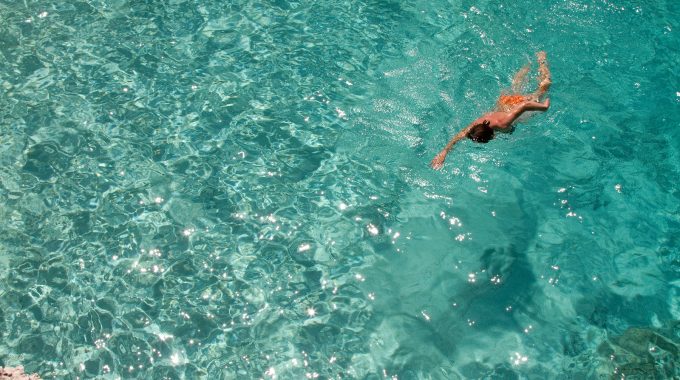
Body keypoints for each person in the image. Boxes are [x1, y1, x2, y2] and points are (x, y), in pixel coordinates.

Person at [430, 51, 552, 170]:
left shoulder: (503, 123)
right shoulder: (476, 126)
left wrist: (543, 107)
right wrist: (444, 152)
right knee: (516, 86)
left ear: (492, 136)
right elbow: (458, 137)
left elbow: (525, 105)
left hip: (515, 104)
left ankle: (542, 60)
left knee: (544, 88)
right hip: (504, 101)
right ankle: (527, 65)